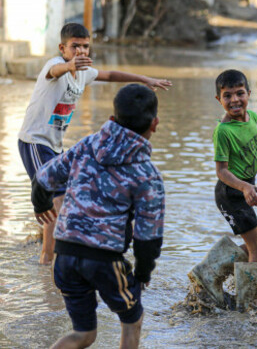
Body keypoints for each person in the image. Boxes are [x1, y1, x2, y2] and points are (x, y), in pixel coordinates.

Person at [17, 23, 172, 265]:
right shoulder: (54, 64)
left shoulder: (85, 72)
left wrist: (145, 79)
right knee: (56, 200)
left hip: (54, 144)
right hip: (35, 141)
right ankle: (48, 258)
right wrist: (68, 66)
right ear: (62, 48)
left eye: (85, 46)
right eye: (74, 46)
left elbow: (110, 75)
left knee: (63, 198)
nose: (81, 51)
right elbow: (55, 71)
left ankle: (49, 248)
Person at [31, 84, 165, 349]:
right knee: (132, 319)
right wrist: (142, 273)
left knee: (84, 334)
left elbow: (44, 178)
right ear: (155, 124)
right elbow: (148, 236)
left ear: (112, 120)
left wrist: (40, 203)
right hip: (104, 261)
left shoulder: (88, 145)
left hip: (65, 257)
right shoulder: (148, 174)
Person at [213, 70, 257, 275]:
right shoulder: (223, 131)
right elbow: (221, 171)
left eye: (240, 93)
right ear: (219, 99)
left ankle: (211, 267)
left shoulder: (252, 117)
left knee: (256, 245)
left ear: (249, 94)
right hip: (231, 193)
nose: (234, 100)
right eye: (227, 95)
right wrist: (244, 186)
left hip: (244, 189)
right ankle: (249, 303)